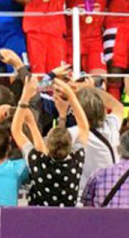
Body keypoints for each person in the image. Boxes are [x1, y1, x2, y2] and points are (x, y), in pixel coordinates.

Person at [16, 77, 86, 207]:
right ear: (71, 147)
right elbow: (84, 128)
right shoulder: (75, 163)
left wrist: (25, 97)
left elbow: (16, 131)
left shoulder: (38, 162)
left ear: (47, 145)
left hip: (39, 221)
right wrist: (72, 96)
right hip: (68, 223)